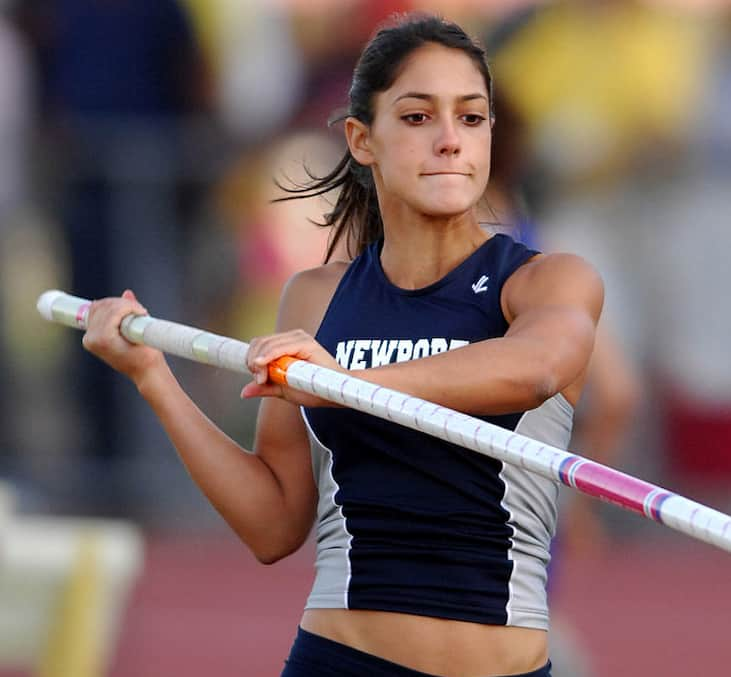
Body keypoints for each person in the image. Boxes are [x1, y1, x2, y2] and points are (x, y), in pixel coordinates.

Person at [80, 14, 602, 677]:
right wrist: (153, 377)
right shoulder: (316, 298)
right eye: (418, 118)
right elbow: (273, 524)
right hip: (340, 660)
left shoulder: (544, 280)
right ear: (362, 139)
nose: (449, 141)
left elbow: (539, 368)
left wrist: (350, 385)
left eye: (471, 119)